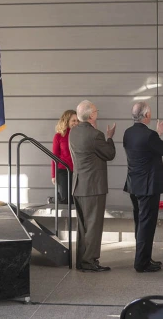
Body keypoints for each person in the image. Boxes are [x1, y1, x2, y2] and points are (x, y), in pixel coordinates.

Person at [123, 102, 163, 273]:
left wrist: (156, 133)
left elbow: (147, 147)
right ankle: (142, 263)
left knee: (140, 224)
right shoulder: (149, 136)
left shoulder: (128, 133)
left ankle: (144, 257)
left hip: (134, 185)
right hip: (148, 187)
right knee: (147, 225)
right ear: (146, 115)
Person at [69, 100, 116, 272]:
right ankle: (90, 262)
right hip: (93, 187)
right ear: (92, 115)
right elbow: (110, 154)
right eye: (96, 110)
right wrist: (109, 136)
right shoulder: (95, 135)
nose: (97, 112)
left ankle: (82, 260)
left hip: (78, 185)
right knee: (94, 226)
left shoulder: (73, 132)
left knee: (83, 226)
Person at [51, 109, 78, 205]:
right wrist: (53, 175)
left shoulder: (79, 135)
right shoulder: (59, 136)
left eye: (77, 120)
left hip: (77, 172)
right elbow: (54, 156)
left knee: (76, 199)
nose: (76, 123)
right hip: (63, 171)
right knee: (66, 199)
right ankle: (56, 200)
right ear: (66, 121)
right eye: (73, 121)